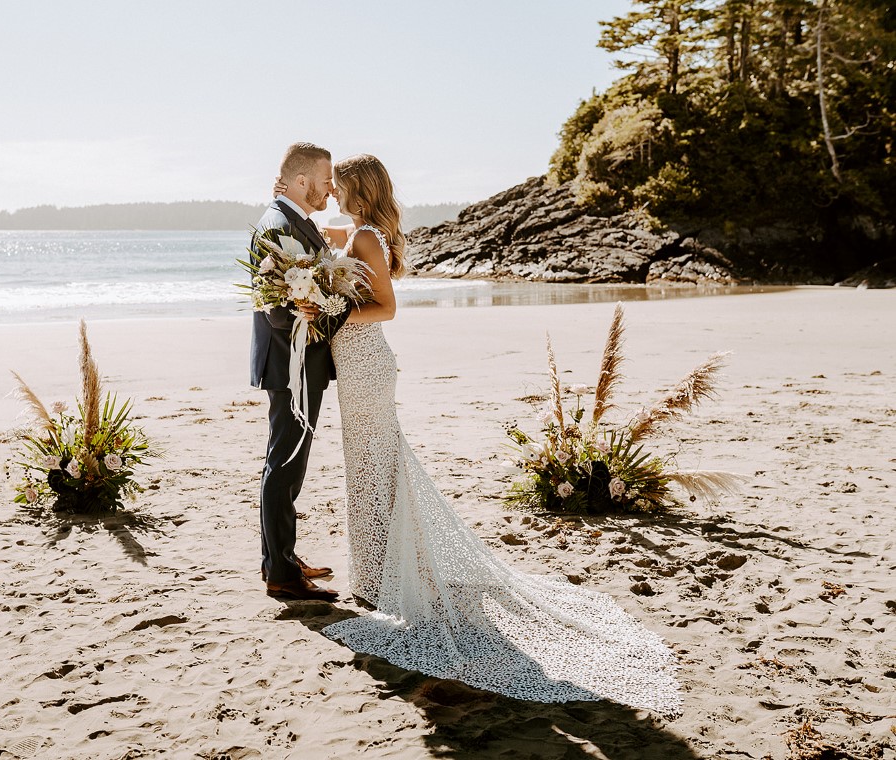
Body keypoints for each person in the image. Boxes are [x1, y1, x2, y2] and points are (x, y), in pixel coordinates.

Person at [285, 153, 681, 713]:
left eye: (339, 185)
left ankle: (377, 579)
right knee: (371, 468)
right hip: (358, 367)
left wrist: (328, 314)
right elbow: (322, 238)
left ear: (360, 189)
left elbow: (386, 309)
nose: (334, 192)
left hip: (367, 362)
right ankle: (375, 574)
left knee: (376, 468)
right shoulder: (360, 233)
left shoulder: (369, 237)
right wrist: (305, 248)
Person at [250, 142, 349, 602]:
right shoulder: (277, 225)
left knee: (288, 462)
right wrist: (320, 315)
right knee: (285, 465)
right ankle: (283, 575)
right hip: (292, 363)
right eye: (326, 179)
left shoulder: (295, 221)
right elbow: (276, 308)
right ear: (302, 181)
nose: (332, 188)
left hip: (300, 362)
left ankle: (280, 558)